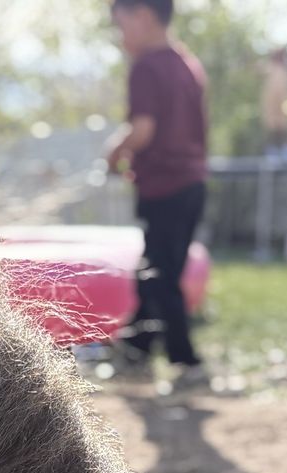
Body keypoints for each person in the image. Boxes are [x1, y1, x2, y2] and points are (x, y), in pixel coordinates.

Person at [105, 0, 208, 390]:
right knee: (158, 268)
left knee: (161, 275)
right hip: (193, 184)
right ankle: (138, 348)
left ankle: (185, 359)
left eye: (121, 25)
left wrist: (114, 153)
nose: (120, 37)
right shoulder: (187, 65)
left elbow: (142, 130)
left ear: (144, 17)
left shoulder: (147, 67)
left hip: (164, 186)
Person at [261, 47, 287, 157]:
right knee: (272, 130)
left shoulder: (286, 70)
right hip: (272, 108)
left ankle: (286, 150)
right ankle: (273, 151)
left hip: (284, 108)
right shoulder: (270, 69)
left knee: (285, 129)